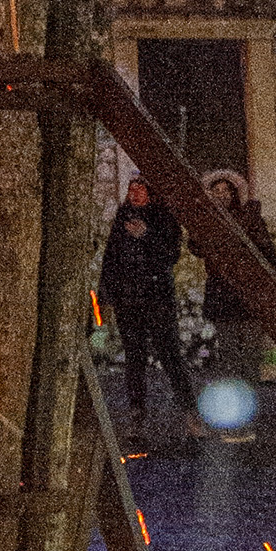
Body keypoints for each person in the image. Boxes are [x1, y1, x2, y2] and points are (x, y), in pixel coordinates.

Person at [99, 176, 191, 439]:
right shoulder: (123, 217)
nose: (135, 194)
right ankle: (137, 419)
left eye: (141, 189)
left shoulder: (163, 217)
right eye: (131, 190)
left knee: (170, 355)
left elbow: (170, 255)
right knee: (135, 360)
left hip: (157, 298)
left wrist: (147, 236)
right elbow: (112, 258)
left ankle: (189, 414)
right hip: (129, 300)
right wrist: (107, 296)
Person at [197, 168, 276, 402]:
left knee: (251, 353)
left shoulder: (250, 218)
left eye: (226, 191)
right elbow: (196, 246)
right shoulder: (208, 221)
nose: (222, 195)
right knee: (229, 352)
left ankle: (248, 399)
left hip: (248, 294)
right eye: (217, 191)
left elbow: (268, 254)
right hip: (222, 292)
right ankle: (234, 400)